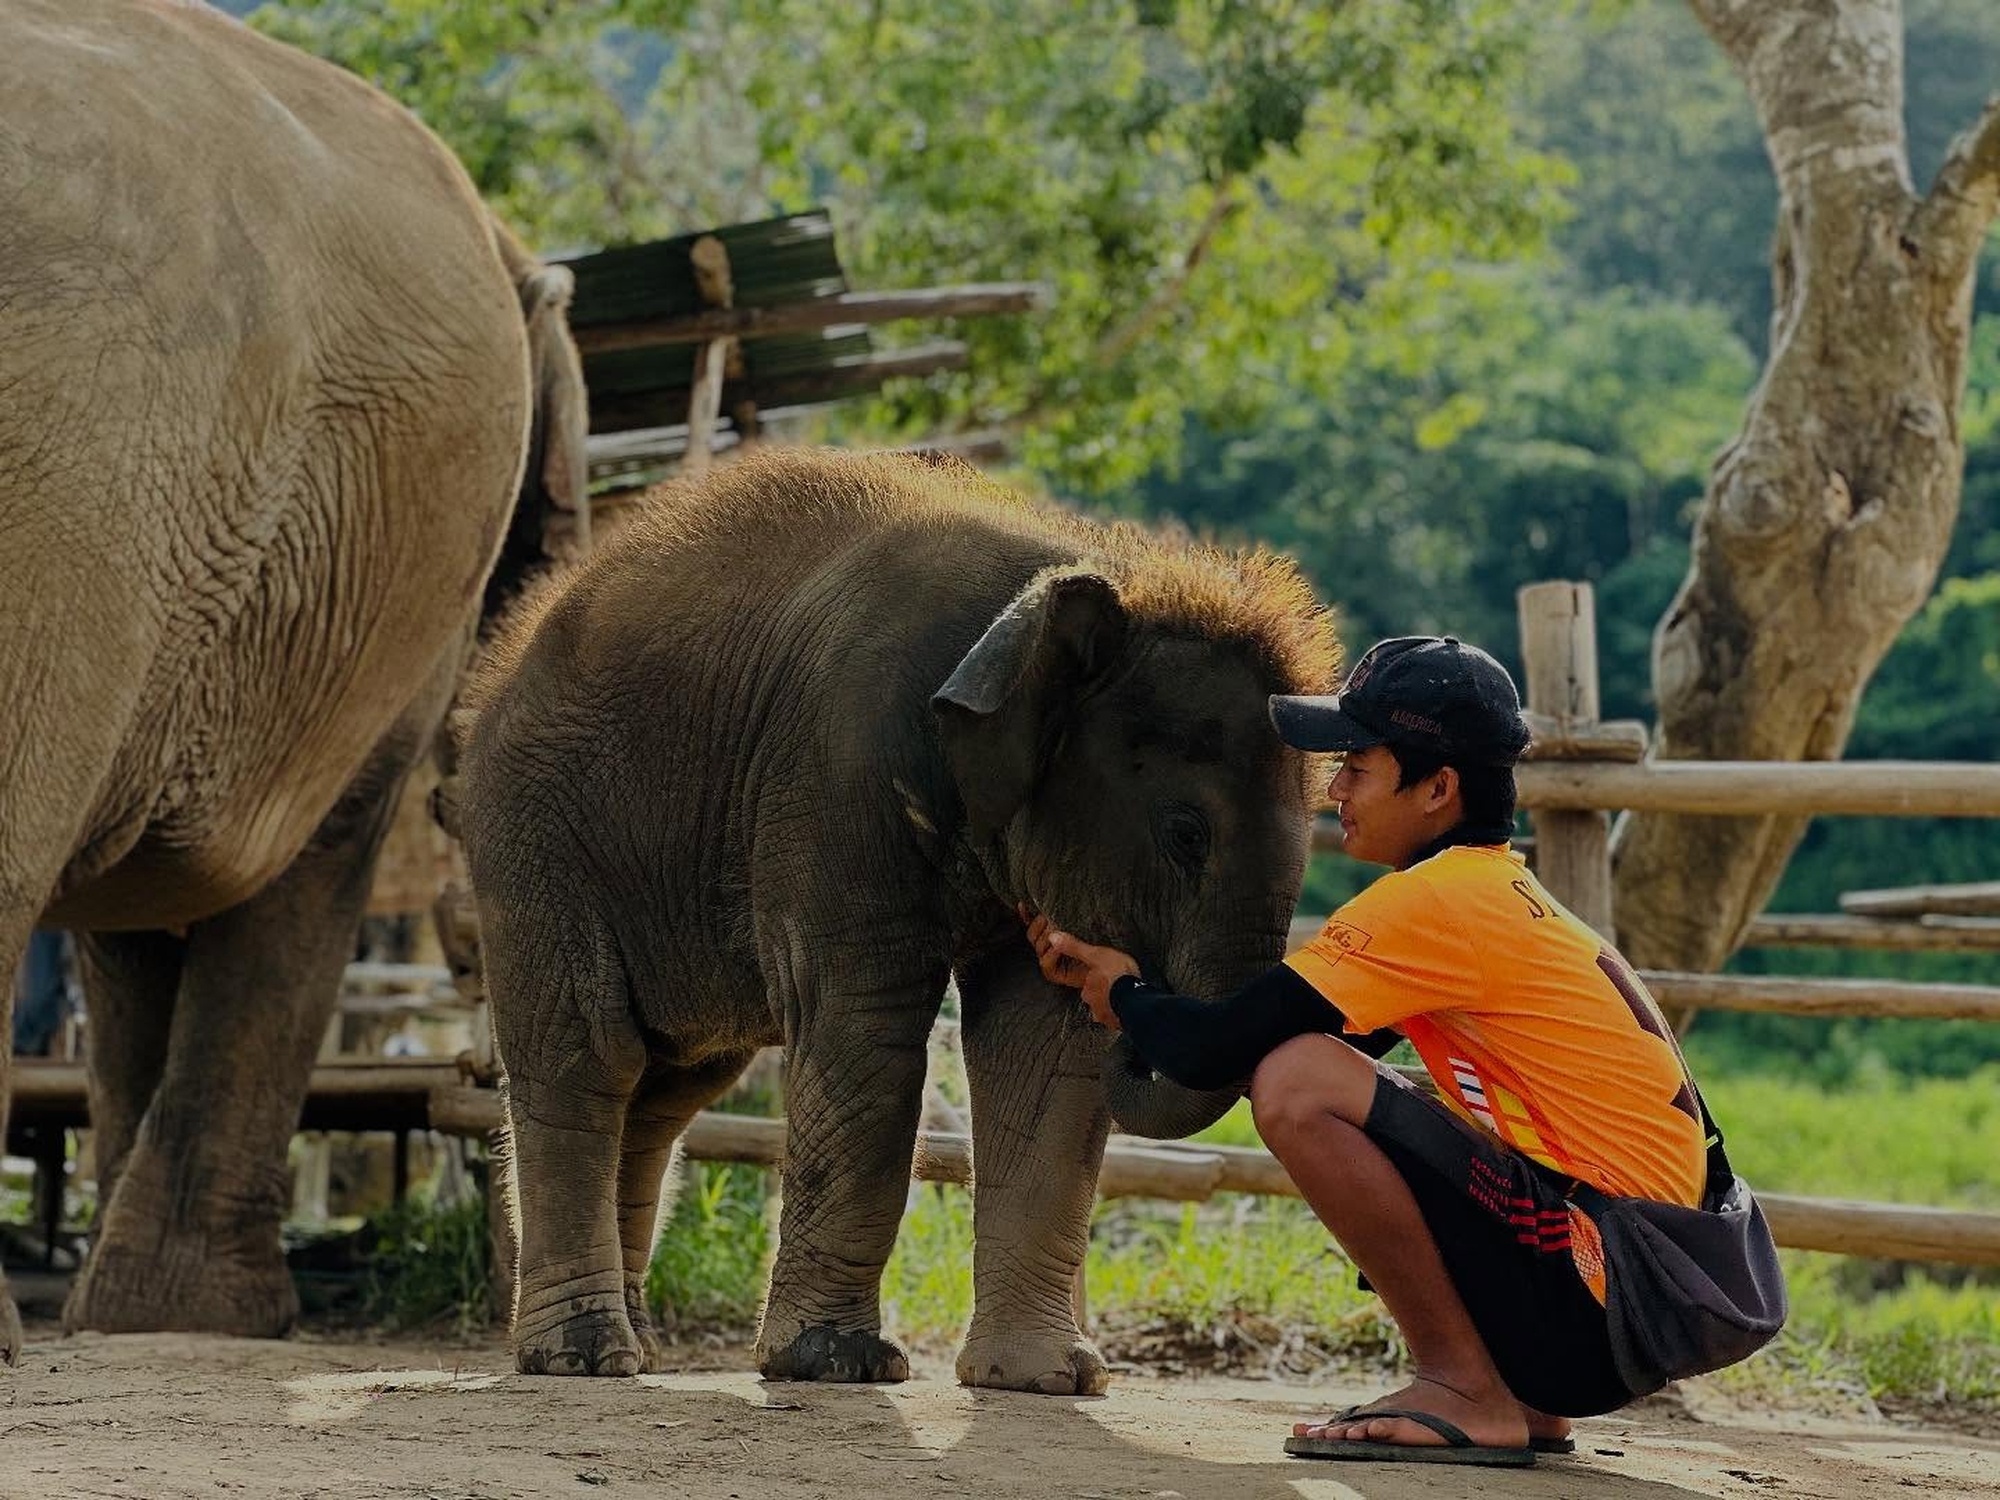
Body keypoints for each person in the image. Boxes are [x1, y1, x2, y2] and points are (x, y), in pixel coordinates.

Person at [1027, 635, 1738, 1469]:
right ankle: (1524, 1402)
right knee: (1336, 1075)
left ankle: (1463, 1386)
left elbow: (1223, 1055)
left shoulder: (1430, 903)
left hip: (1606, 1299)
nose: (1335, 791)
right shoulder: (1495, 892)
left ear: (1438, 788)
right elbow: (1281, 1039)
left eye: (1357, 767)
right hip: (1643, 1296)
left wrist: (1126, 995)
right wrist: (1148, 1004)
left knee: (1299, 1085)